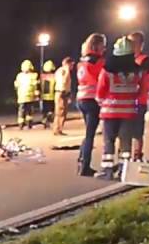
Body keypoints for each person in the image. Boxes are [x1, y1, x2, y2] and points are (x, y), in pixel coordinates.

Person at [95, 36, 140, 180]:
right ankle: (123, 171)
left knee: (109, 141)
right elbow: (140, 90)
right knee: (125, 143)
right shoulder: (137, 71)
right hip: (129, 112)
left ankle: (107, 170)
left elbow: (100, 91)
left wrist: (101, 102)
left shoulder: (107, 71)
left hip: (110, 112)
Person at [75, 33, 106, 176]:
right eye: (103, 45)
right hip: (92, 100)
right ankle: (85, 166)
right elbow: (103, 80)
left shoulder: (82, 61)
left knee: (88, 132)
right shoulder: (98, 61)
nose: (104, 48)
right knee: (90, 135)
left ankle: (81, 161)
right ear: (97, 45)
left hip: (81, 98)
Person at [128, 31, 149, 161]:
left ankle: (137, 156)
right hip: (127, 101)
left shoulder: (145, 60)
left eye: (133, 43)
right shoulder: (129, 59)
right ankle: (126, 158)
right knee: (125, 131)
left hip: (140, 100)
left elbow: (138, 77)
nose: (130, 46)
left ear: (140, 44)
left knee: (137, 131)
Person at [15, 60, 40, 128]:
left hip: (21, 97)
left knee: (21, 110)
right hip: (30, 97)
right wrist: (37, 95)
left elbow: (16, 85)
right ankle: (29, 124)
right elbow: (35, 86)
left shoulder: (19, 76)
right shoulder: (34, 75)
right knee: (29, 110)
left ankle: (21, 124)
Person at [53, 57, 74, 135]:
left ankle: (58, 129)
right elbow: (63, 81)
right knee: (60, 112)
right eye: (71, 64)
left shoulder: (60, 70)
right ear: (68, 64)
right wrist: (64, 92)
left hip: (62, 92)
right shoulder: (64, 70)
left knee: (62, 112)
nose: (72, 67)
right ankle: (57, 129)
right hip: (61, 92)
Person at [40, 60, 56, 128]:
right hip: (52, 97)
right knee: (51, 110)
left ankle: (44, 120)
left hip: (43, 97)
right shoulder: (54, 76)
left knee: (45, 110)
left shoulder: (42, 76)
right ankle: (49, 120)